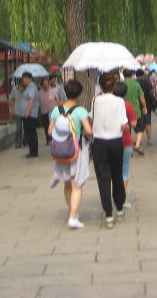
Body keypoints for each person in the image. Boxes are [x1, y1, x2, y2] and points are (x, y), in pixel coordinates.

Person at [48, 79, 93, 229]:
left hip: (60, 151)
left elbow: (50, 131)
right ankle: (73, 218)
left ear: (65, 93)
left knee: (67, 183)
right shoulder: (81, 111)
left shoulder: (57, 110)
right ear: (79, 94)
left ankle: (73, 212)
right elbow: (88, 131)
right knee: (76, 184)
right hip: (76, 151)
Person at [91, 72, 130, 228]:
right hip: (116, 141)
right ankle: (119, 208)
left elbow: (92, 118)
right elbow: (124, 124)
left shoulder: (95, 100)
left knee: (103, 178)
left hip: (99, 142)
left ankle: (108, 214)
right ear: (114, 85)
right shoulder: (120, 101)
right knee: (117, 175)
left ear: (100, 86)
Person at [113, 81, 138, 200]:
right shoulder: (127, 105)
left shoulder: (108, 105)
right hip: (126, 140)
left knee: (113, 170)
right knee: (125, 169)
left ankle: (114, 194)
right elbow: (134, 123)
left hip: (111, 141)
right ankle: (122, 198)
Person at [122, 69, 147, 154]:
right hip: (136, 110)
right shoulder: (136, 84)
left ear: (123, 75)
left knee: (127, 130)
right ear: (132, 75)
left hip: (124, 110)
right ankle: (137, 145)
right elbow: (142, 97)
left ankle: (127, 148)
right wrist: (144, 107)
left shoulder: (121, 84)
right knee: (140, 129)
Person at [20, 72, 40, 158]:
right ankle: (32, 150)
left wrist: (27, 111)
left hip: (30, 114)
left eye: (25, 78)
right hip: (27, 114)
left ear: (30, 79)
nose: (24, 80)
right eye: (23, 78)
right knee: (29, 132)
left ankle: (34, 152)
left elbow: (31, 100)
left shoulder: (32, 87)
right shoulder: (28, 87)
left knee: (31, 133)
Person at [137, 69, 156, 147]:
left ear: (136, 75)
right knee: (148, 122)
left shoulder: (136, 82)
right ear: (143, 75)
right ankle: (149, 139)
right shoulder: (148, 82)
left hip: (138, 104)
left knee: (139, 122)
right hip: (147, 104)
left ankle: (139, 140)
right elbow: (152, 92)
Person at [39, 77, 60, 145]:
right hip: (44, 112)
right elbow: (38, 101)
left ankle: (54, 138)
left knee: (52, 125)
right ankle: (48, 139)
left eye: (46, 83)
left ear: (48, 83)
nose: (45, 85)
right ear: (42, 84)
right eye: (44, 84)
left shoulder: (53, 91)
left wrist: (57, 108)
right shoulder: (40, 92)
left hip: (52, 112)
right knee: (46, 126)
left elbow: (57, 100)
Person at [9, 78, 24, 149]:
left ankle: (26, 141)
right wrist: (12, 110)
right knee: (18, 127)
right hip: (17, 111)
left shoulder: (27, 89)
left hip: (26, 111)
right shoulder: (14, 89)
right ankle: (18, 143)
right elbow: (12, 99)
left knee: (27, 127)